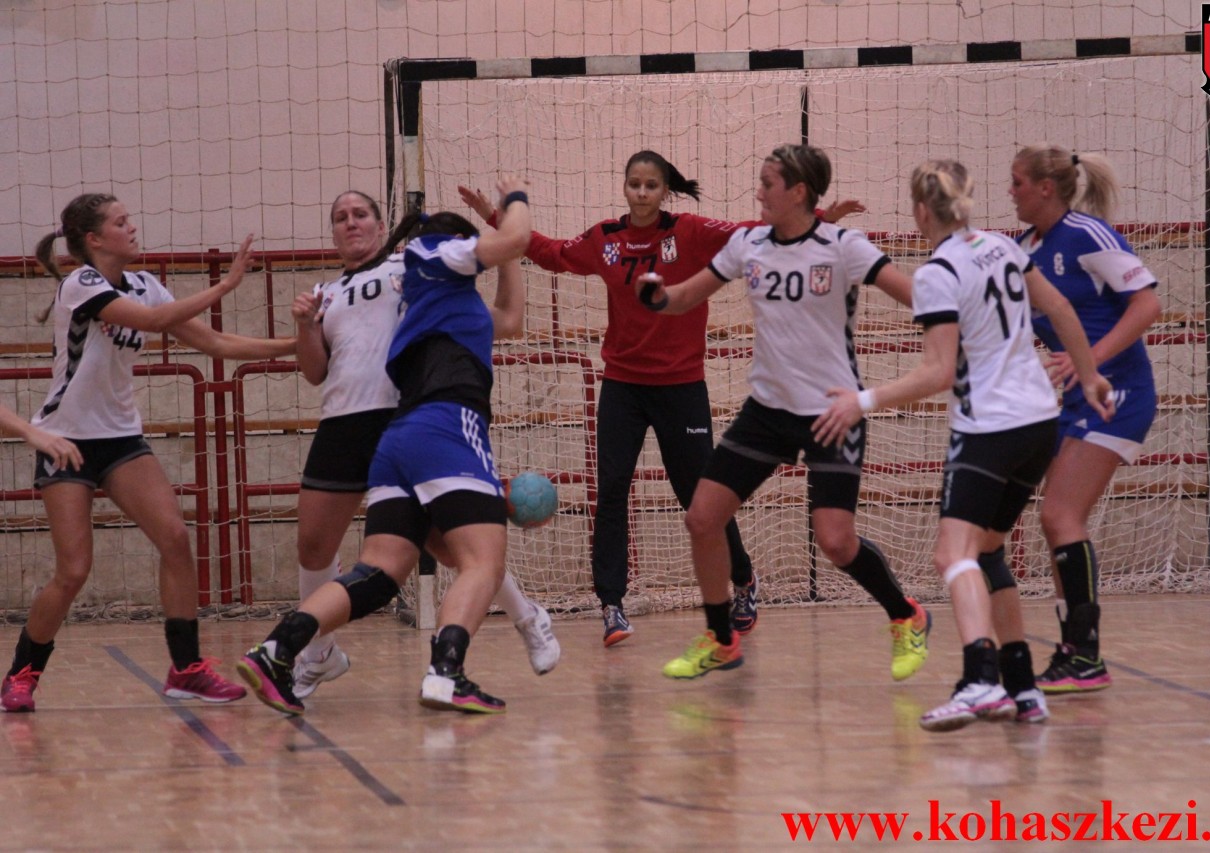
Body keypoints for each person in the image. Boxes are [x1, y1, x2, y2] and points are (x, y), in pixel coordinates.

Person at [460, 151, 864, 646]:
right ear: (625, 187)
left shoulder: (690, 232)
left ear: (665, 190)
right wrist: (494, 216)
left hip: (681, 387)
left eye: (651, 185)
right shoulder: (605, 239)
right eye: (634, 183)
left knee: (701, 497)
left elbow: (753, 233)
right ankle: (611, 604)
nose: (642, 192)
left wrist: (818, 218)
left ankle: (743, 581)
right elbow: (550, 253)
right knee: (611, 490)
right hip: (623, 387)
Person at [630, 143, 931, 681]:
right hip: (767, 410)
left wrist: (969, 320)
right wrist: (656, 295)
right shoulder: (748, 244)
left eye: (768, 184)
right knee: (702, 518)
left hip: (832, 412)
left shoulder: (843, 247)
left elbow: (918, 297)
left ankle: (906, 614)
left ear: (798, 192)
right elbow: (684, 297)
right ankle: (721, 638)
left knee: (835, 542)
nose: (758, 192)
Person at [238, 175, 534, 716]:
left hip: (401, 419)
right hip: (375, 423)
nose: (350, 222)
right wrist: (305, 326)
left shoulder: (413, 264)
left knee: (423, 556)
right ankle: (349, 659)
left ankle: (526, 620)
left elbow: (504, 318)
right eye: (340, 216)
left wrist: (492, 233)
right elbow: (314, 371)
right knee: (452, 554)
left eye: (360, 213)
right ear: (333, 234)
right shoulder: (335, 291)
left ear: (382, 226)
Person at [839, 160, 1114, 732]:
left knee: (952, 554)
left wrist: (862, 400)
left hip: (990, 428)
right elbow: (1060, 309)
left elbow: (938, 372)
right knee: (986, 552)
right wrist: (1088, 377)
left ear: (921, 211)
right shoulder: (1002, 247)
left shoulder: (938, 273)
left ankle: (978, 680)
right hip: (1040, 421)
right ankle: (1022, 686)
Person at [1, 193, 295, 713]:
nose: (132, 228)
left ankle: (187, 670)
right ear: (95, 239)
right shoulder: (81, 283)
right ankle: (21, 675)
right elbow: (153, 322)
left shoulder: (145, 284)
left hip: (120, 440)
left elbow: (216, 344)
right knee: (73, 571)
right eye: (121, 222)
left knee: (176, 539)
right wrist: (224, 285)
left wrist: (296, 345)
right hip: (65, 439)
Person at [1009, 145, 1160, 693]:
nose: (1011, 192)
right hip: (1073, 401)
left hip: (1117, 394)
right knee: (1056, 522)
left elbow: (1147, 304)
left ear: (1046, 188)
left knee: (1060, 515)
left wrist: (1087, 359)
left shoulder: (1087, 235)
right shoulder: (1023, 248)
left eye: (1018, 182)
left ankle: (1086, 654)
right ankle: (1073, 649)